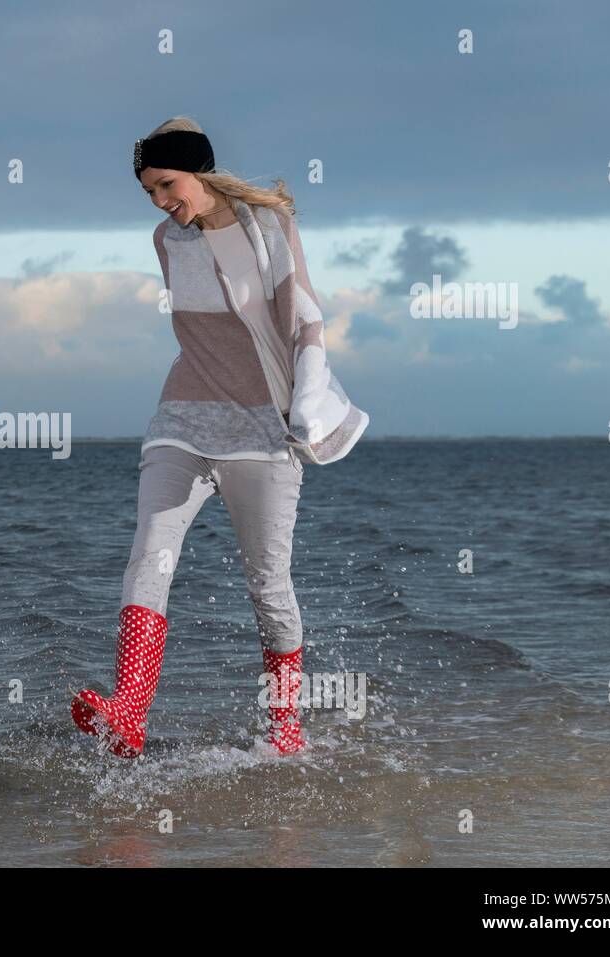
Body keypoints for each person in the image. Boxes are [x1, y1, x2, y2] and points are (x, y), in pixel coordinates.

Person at [71, 116, 370, 759]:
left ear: (198, 173)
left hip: (262, 429)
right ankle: (129, 713)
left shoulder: (268, 229)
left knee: (268, 587)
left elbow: (306, 321)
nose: (160, 202)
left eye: (167, 184)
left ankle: (283, 725)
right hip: (181, 419)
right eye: (149, 191)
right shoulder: (165, 240)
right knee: (150, 552)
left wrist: (311, 396)